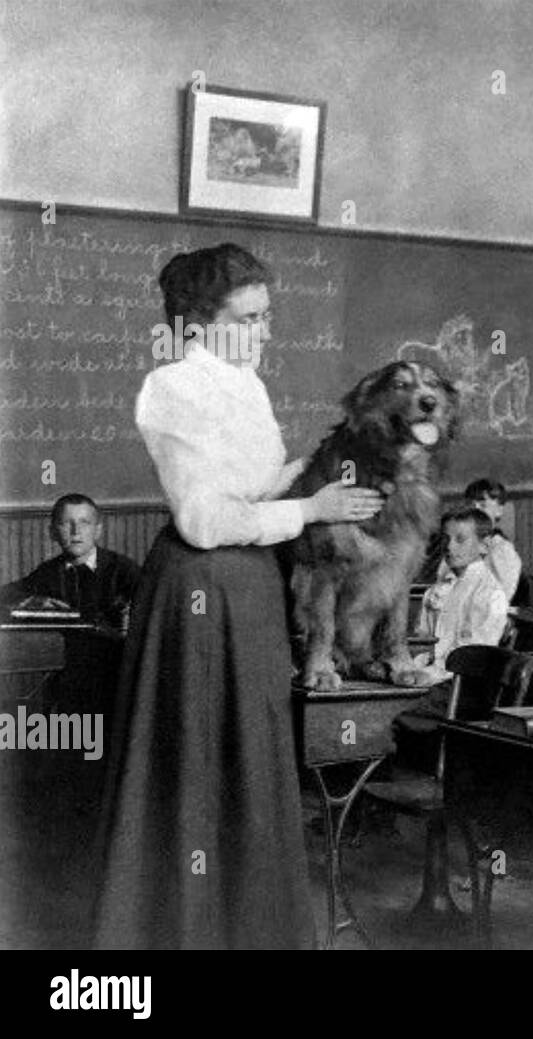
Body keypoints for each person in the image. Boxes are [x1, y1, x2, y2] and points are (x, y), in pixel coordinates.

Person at [94, 243, 384, 950]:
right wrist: (313, 511)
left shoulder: (243, 381)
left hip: (248, 589)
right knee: (198, 765)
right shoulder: (174, 387)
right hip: (202, 592)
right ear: (197, 322)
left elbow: (250, 490)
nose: (264, 331)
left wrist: (320, 468)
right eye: (248, 317)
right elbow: (205, 519)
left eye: (267, 315)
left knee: (250, 762)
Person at [1, 493, 140, 629]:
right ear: (53, 532)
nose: (76, 531)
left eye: (84, 523)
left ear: (98, 531)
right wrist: (32, 601)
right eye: (67, 523)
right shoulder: (48, 572)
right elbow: (6, 594)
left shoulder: (124, 570)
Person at [412, 507, 511, 683]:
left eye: (460, 540)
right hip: (432, 677)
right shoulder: (436, 590)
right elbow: (423, 642)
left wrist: (428, 675)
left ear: (484, 545)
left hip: (463, 684)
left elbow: (473, 656)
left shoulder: (490, 593)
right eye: (446, 539)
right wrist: (414, 667)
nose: (449, 546)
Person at [463, 477, 522, 601]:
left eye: (483, 505)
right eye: (470, 505)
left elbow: (500, 599)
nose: (476, 510)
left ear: (499, 510)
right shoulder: (459, 546)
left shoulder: (501, 550)